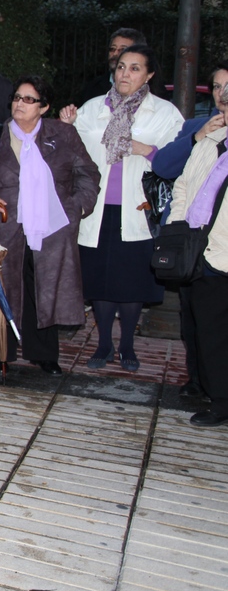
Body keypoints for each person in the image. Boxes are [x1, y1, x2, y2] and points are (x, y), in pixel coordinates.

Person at [60, 44, 183, 371]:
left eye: (135, 68)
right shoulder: (92, 108)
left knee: (131, 284)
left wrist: (143, 148)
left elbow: (178, 161)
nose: (125, 73)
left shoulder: (166, 113)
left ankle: (127, 345)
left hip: (137, 210)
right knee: (99, 281)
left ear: (149, 74)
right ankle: (103, 345)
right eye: (121, 67)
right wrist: (67, 126)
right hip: (98, 210)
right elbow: (73, 154)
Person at [0, 76, 100, 373]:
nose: (19, 103)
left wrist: (77, 207)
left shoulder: (63, 135)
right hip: (2, 227)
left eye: (29, 99)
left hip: (52, 228)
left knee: (43, 287)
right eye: (17, 97)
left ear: (44, 107)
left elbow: (88, 175)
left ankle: (43, 354)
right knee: (1, 287)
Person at [151, 61, 228, 400]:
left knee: (216, 327)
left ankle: (218, 393)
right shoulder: (204, 131)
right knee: (195, 322)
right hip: (193, 244)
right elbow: (168, 169)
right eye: (217, 88)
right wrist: (177, 225)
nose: (222, 95)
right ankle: (200, 382)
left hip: (220, 248)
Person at [167, 106, 228, 427]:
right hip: (202, 252)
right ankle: (219, 400)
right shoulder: (210, 143)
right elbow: (183, 184)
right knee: (209, 331)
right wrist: (178, 224)